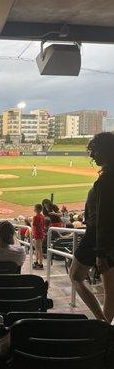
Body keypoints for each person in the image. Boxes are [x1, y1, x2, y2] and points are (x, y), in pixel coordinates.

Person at [70, 132, 114, 323]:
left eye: (95, 151)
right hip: (106, 238)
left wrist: (100, 252)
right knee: (110, 289)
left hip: (98, 237)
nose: (91, 155)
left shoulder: (107, 179)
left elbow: (104, 217)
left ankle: (102, 325)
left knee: (75, 276)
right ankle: (105, 329)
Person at [32, 204, 45, 270]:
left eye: (35, 208)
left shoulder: (36, 217)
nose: (34, 209)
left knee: (39, 249)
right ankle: (37, 261)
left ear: (38, 209)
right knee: (38, 249)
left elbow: (34, 225)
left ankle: (40, 263)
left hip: (37, 234)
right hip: (41, 234)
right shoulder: (42, 216)